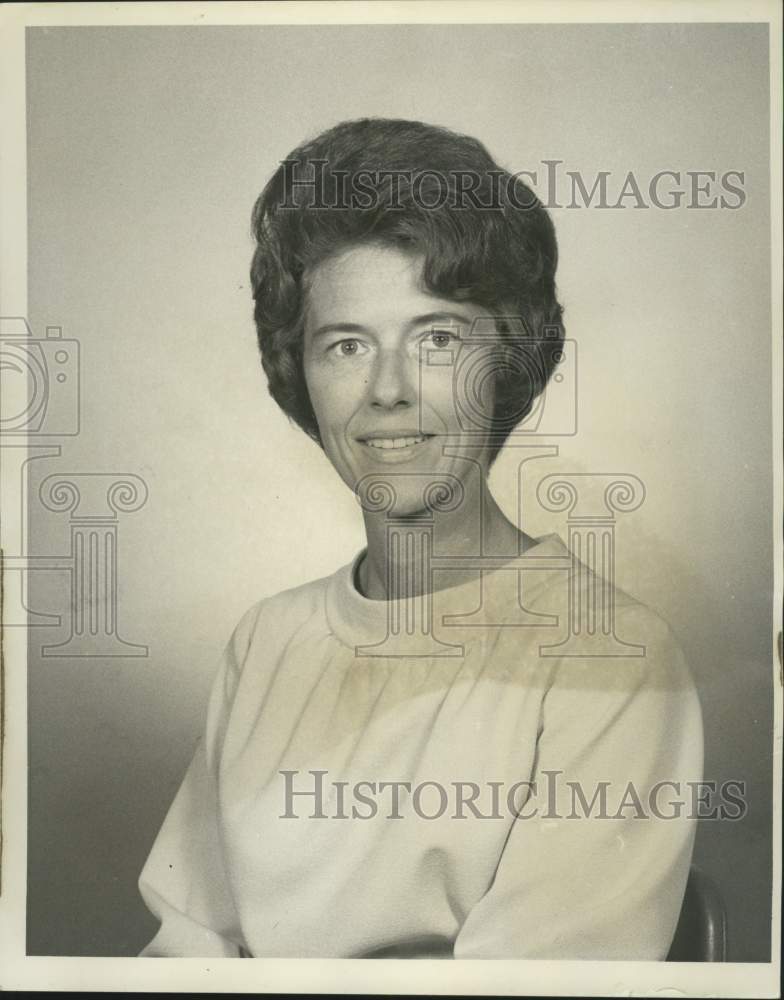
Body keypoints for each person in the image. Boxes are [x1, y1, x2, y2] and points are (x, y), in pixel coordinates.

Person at [137, 118, 703, 959]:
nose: (389, 391)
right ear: (303, 375)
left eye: (436, 338)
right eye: (346, 344)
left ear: (508, 360)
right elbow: (186, 955)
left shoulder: (610, 657)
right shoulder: (267, 642)